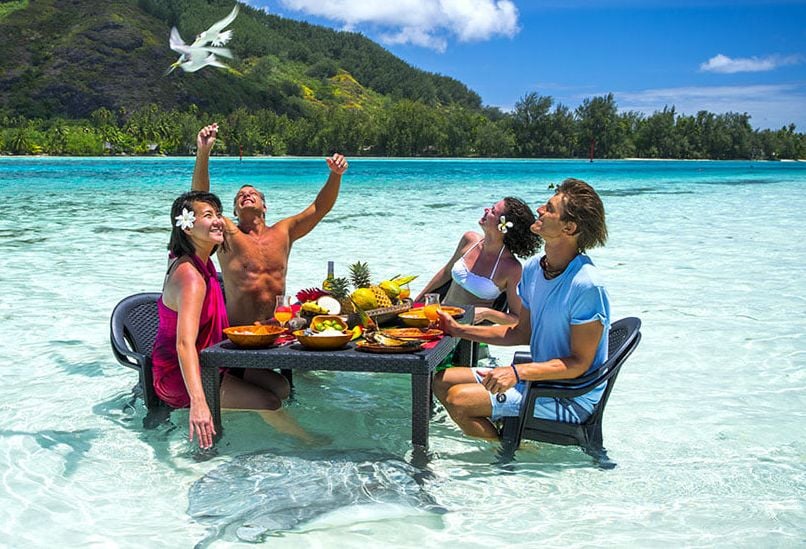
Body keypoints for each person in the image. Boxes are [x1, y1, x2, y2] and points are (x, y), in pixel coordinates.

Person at [433, 179, 610, 441]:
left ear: (569, 228)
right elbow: (521, 332)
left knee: (459, 400)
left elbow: (579, 363)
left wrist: (516, 373)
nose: (539, 209)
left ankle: (508, 454)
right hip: (537, 379)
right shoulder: (534, 269)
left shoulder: (586, 285)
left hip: (569, 397)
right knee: (441, 380)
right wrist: (459, 330)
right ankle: (507, 437)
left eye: (549, 208)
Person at [151, 191, 319, 449]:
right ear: (188, 227)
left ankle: (252, 430)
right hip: (180, 374)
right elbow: (184, 345)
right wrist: (199, 402)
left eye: (218, 214)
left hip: (213, 361)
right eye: (208, 215)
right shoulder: (191, 278)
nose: (218, 221)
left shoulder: (200, 262)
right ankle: (310, 444)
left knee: (281, 387)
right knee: (269, 402)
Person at [191, 123, 348, 326]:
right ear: (235, 211)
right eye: (240, 195)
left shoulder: (284, 231)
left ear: (264, 207)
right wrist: (203, 152)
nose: (246, 195)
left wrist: (336, 175)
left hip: (278, 329)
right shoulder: (227, 233)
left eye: (252, 193)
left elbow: (319, 208)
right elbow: (200, 200)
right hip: (240, 332)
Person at [415, 197, 541, 325]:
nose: (486, 210)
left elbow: (516, 319)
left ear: (503, 226)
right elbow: (446, 273)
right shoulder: (469, 240)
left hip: (470, 331)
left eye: (493, 211)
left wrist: (487, 313)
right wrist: (417, 301)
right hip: (439, 320)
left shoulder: (511, 268)